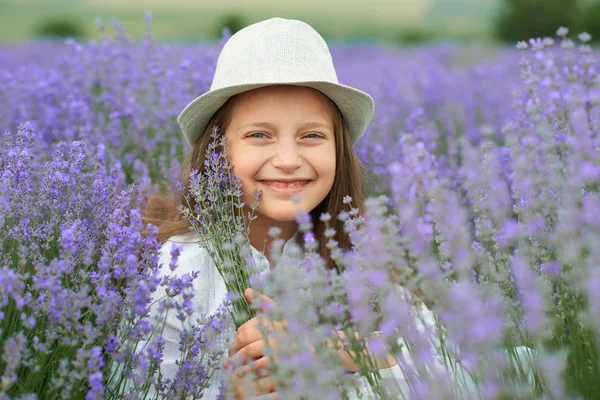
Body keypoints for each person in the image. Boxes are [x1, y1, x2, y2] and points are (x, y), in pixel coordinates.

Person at [142, 17, 398, 399]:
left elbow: (450, 368)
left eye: (311, 135)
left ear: (338, 151)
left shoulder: (365, 256)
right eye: (259, 135)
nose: (288, 159)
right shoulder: (179, 273)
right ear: (217, 152)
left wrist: (330, 348)